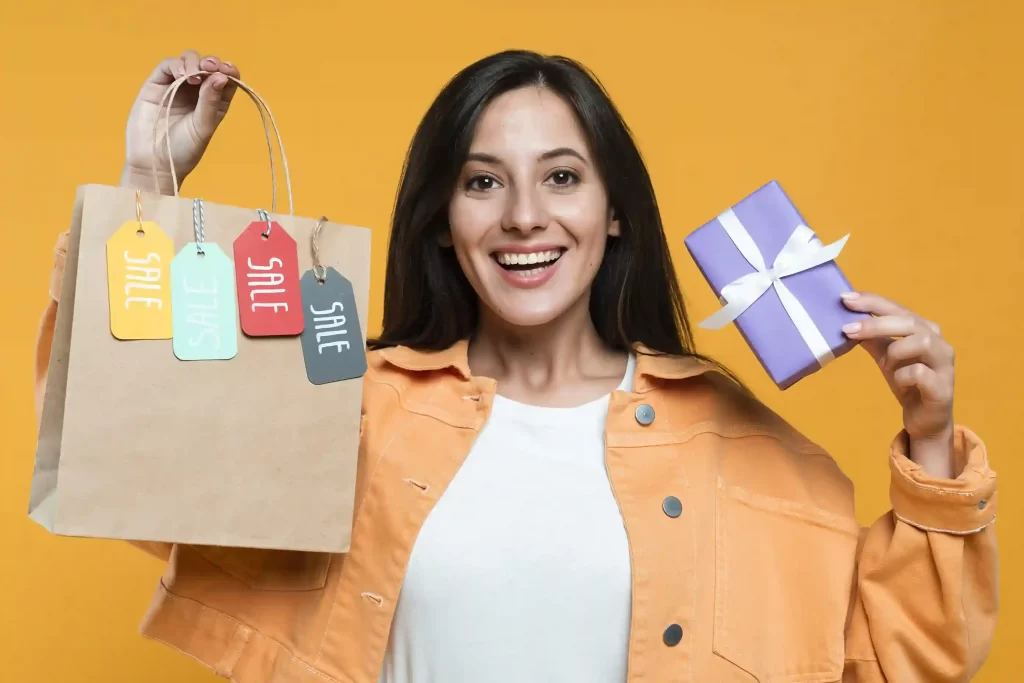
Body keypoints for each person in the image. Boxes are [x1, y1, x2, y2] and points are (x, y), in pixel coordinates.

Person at [34, 49, 998, 683]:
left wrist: (929, 445)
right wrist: (146, 191)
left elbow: (893, 656)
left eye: (563, 177)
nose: (524, 215)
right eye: (482, 181)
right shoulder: (346, 410)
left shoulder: (734, 442)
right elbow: (132, 468)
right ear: (446, 224)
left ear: (612, 210)